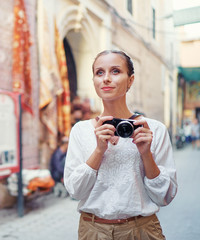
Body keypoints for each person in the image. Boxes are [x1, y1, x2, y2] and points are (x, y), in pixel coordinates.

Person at [64, 50, 177, 240]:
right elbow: (75, 191)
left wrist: (146, 154)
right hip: (93, 231)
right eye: (99, 72)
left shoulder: (153, 129)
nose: (106, 78)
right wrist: (99, 150)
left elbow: (165, 196)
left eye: (115, 71)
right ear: (94, 81)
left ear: (130, 80)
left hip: (142, 229)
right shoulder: (81, 130)